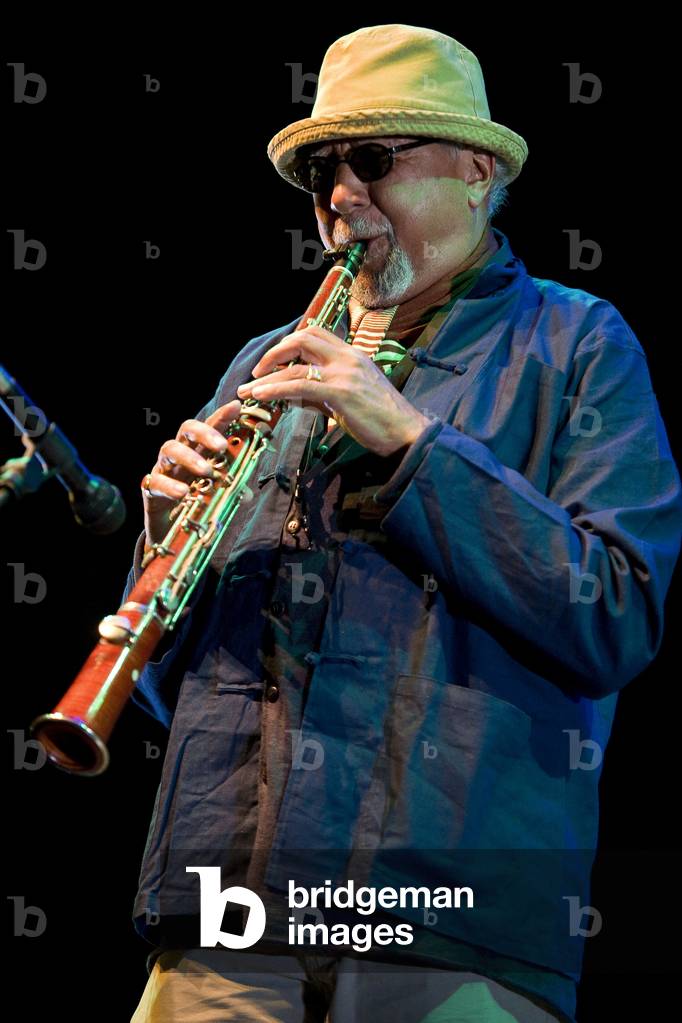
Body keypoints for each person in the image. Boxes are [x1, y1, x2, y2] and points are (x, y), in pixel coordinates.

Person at [125, 24, 682, 1023]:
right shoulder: (269, 359)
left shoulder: (576, 341)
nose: (341, 195)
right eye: (323, 173)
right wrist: (169, 552)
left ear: (475, 171)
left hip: (449, 916)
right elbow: (170, 691)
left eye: (374, 160)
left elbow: (614, 615)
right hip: (230, 910)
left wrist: (413, 445)